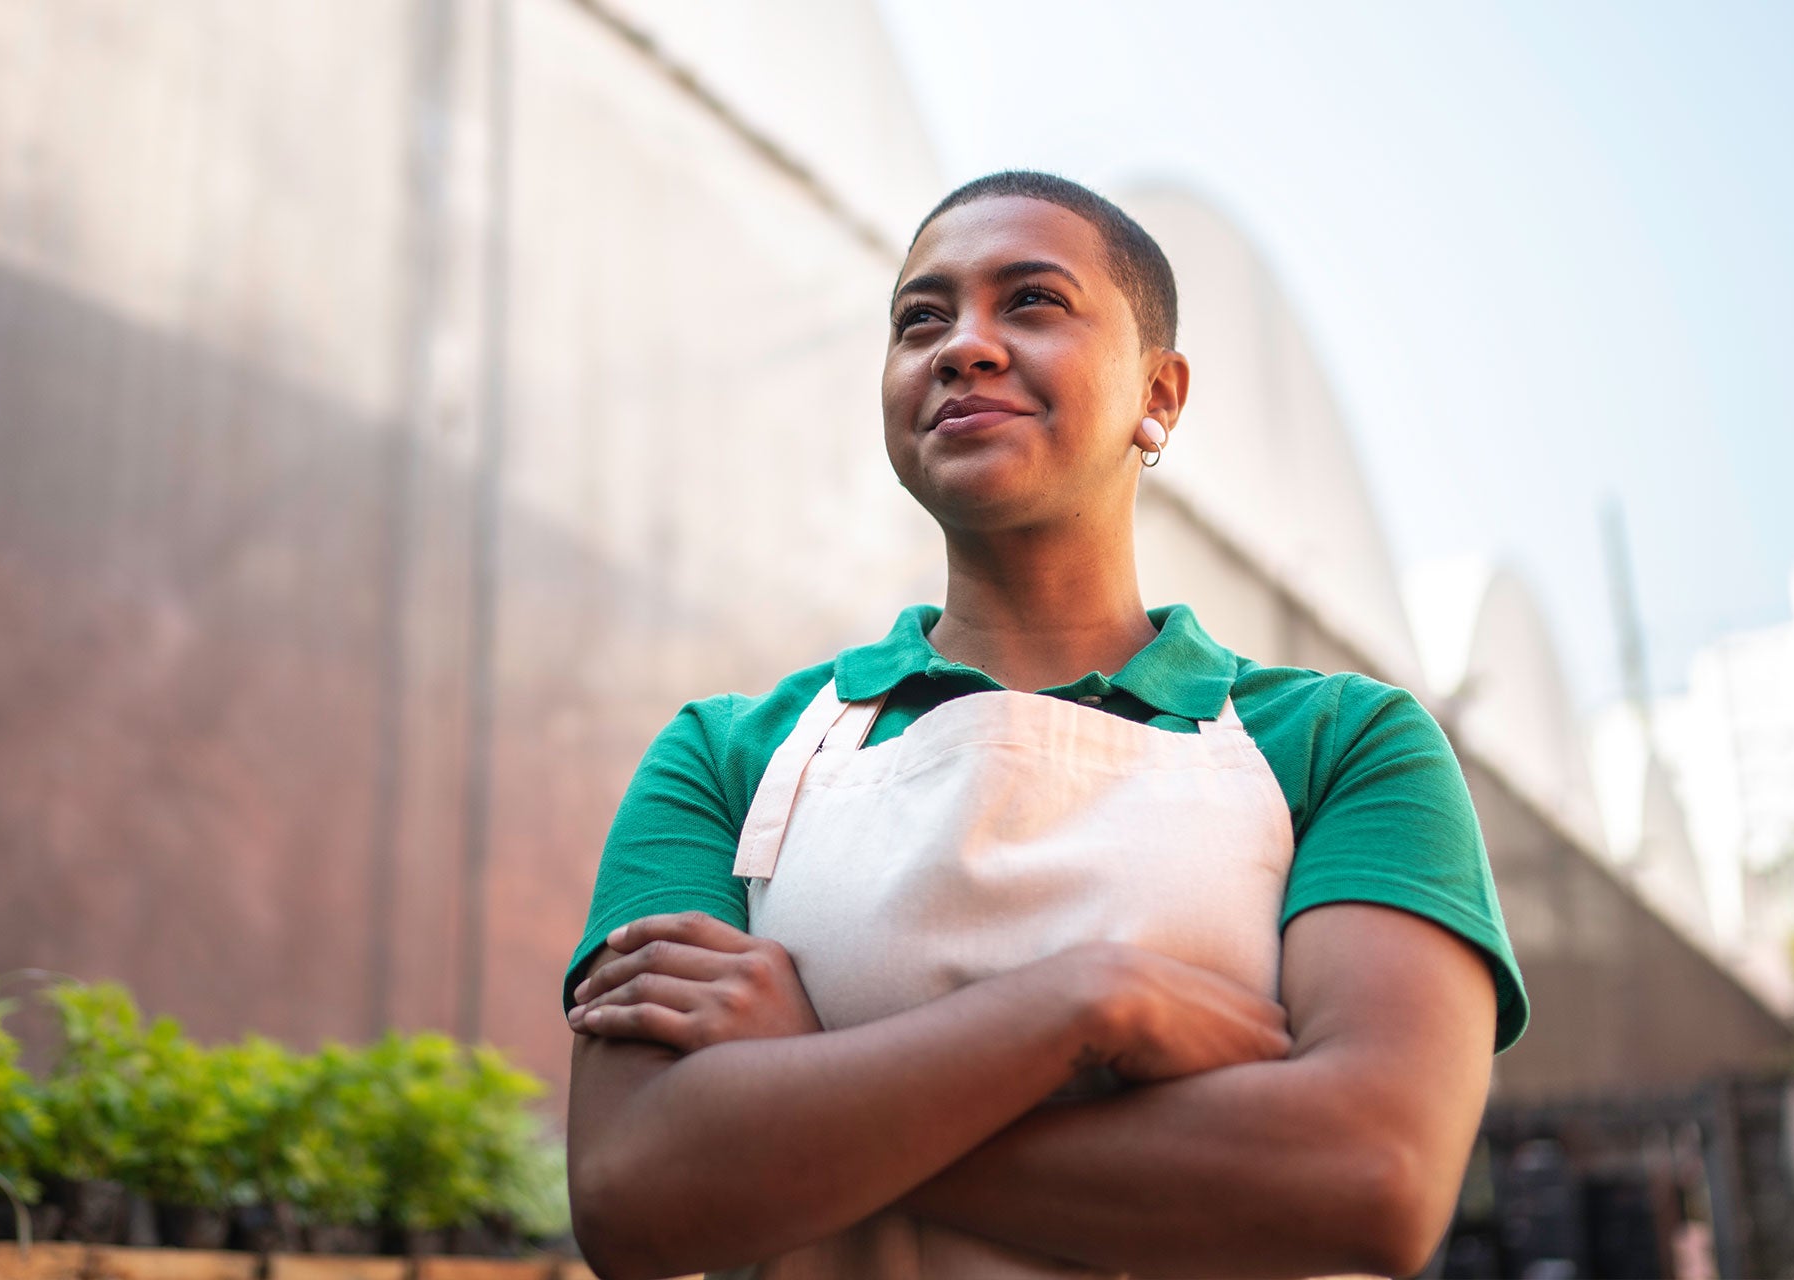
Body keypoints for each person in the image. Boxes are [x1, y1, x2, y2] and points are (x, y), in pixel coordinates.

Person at [560, 171, 1527, 1280]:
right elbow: (632, 1187)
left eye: (1032, 302)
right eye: (920, 318)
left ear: (1158, 394)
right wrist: (1085, 1003)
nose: (962, 345)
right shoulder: (723, 755)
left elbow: (1372, 1177)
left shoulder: (1349, 745)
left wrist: (809, 1072)